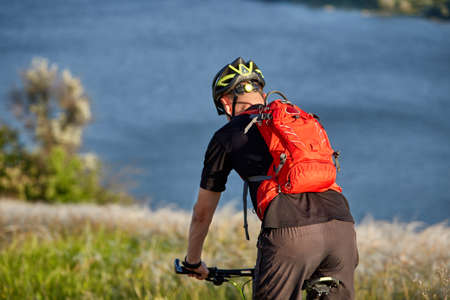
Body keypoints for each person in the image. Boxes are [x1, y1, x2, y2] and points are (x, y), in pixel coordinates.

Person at [183, 57, 359, 299]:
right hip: (342, 228)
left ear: (225, 104)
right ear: (263, 96)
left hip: (291, 233)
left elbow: (202, 213)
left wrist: (193, 261)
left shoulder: (226, 135)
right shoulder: (298, 119)